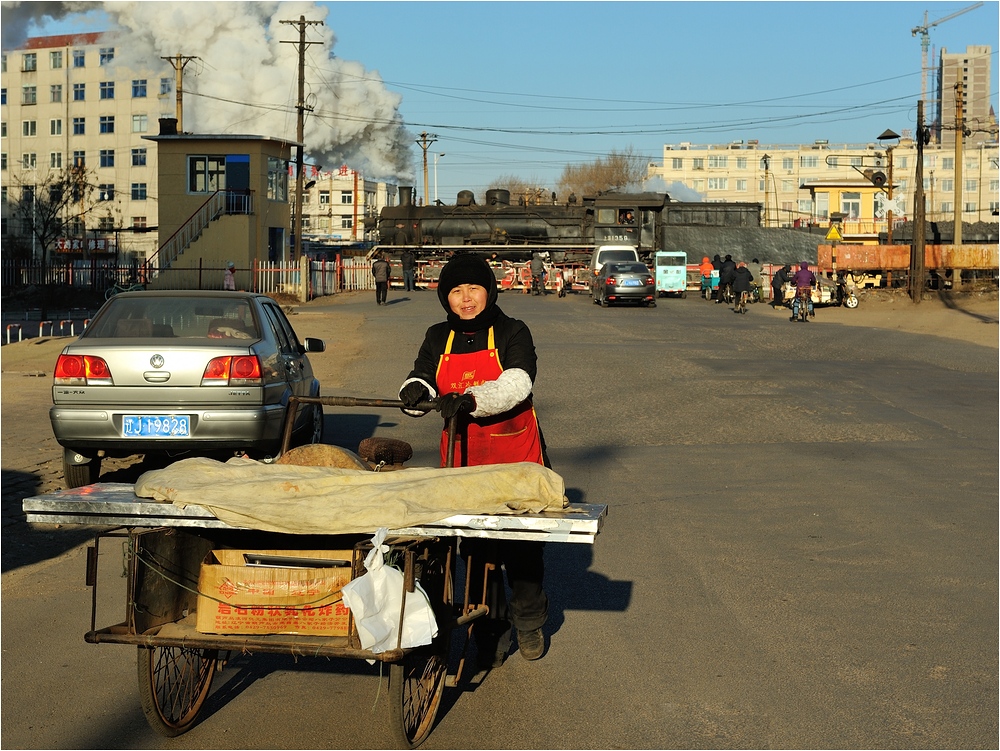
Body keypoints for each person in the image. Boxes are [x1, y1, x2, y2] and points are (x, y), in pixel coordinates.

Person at [397, 253, 549, 665]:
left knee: (520, 548)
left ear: (490, 290)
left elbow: (517, 382)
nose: (465, 299)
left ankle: (530, 620)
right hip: (463, 457)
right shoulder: (436, 336)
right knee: (478, 548)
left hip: (514, 453)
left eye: (474, 289)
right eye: (456, 292)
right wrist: (414, 393)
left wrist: (472, 399)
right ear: (446, 297)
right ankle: (490, 629)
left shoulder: (513, 331)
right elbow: (422, 376)